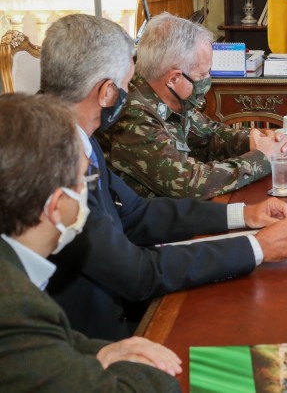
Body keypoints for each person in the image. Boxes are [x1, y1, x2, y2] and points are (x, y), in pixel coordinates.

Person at [40, 14, 287, 340]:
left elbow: (135, 213)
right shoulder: (52, 159)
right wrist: (255, 248)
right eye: (128, 84)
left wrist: (245, 214)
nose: (132, 91)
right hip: (92, 338)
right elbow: (138, 273)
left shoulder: (74, 134)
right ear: (105, 93)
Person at [0, 94, 180, 392]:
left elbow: (53, 341)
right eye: (83, 179)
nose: (89, 190)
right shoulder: (14, 304)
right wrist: (149, 368)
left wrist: (102, 352)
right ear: (56, 205)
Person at [97, 13, 287, 200]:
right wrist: (261, 157)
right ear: (174, 78)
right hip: (154, 226)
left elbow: (208, 136)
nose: (208, 80)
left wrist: (253, 139)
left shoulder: (169, 95)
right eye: (202, 75)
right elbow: (188, 183)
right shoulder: (132, 114)